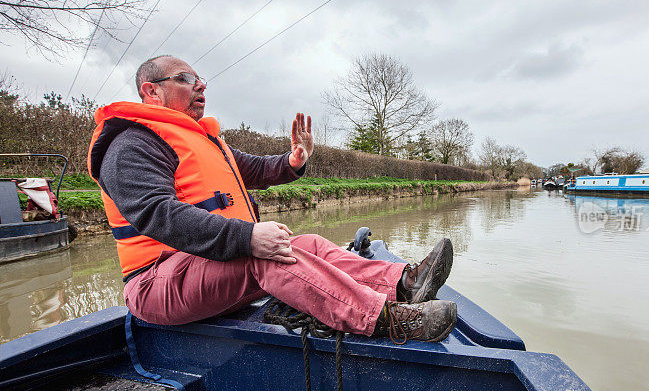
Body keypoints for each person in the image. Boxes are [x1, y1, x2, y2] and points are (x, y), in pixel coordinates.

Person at [87, 55, 457, 343]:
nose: (200, 86)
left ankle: (403, 284)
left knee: (307, 242)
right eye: (185, 79)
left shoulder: (202, 139)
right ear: (151, 91)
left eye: (201, 80)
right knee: (267, 257)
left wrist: (294, 159)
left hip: (204, 266)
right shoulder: (131, 145)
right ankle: (386, 321)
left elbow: (256, 169)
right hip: (156, 283)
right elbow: (157, 214)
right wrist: (246, 238)